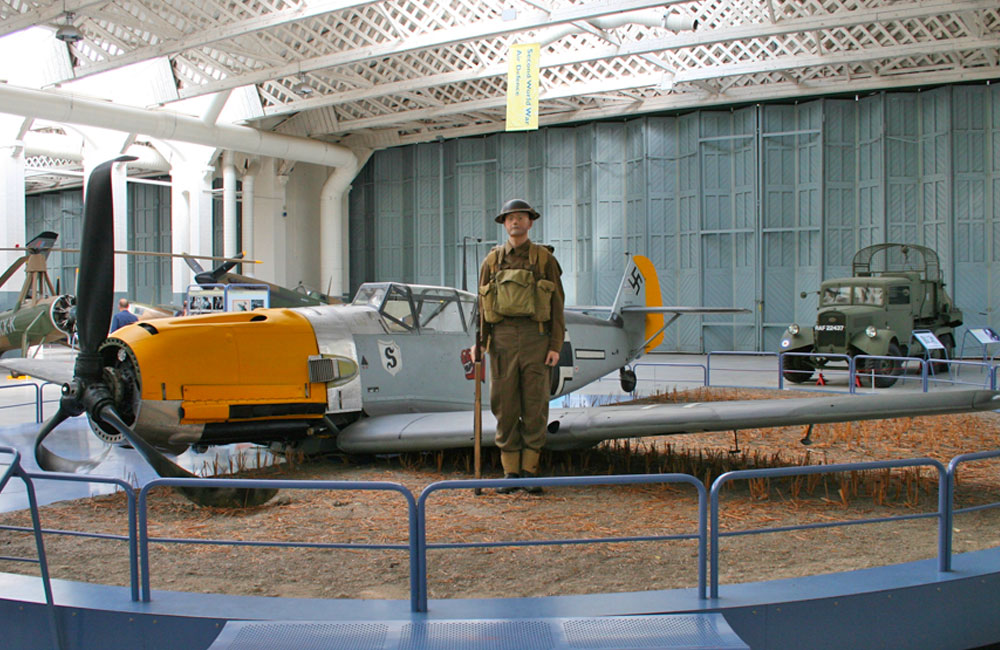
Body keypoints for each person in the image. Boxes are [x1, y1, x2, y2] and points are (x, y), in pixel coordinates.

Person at [476, 199, 565, 494]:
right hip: (500, 341)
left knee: (535, 405)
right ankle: (510, 472)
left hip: (535, 339)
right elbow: (481, 306)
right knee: (504, 405)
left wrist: (555, 345)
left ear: (530, 222)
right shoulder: (491, 261)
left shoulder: (544, 260)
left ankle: (530, 471)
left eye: (521, 217)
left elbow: (557, 306)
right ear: (504, 223)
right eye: (510, 218)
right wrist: (479, 344)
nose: (515, 222)